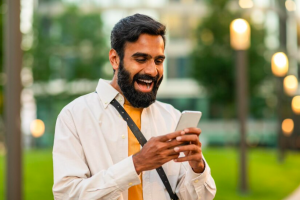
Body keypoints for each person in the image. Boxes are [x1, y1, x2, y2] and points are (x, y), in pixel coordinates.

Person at [52, 13, 216, 200]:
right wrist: (136, 164)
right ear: (115, 59)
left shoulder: (171, 117)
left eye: (158, 61)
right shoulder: (75, 116)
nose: (152, 70)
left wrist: (197, 167)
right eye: (141, 59)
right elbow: (67, 195)